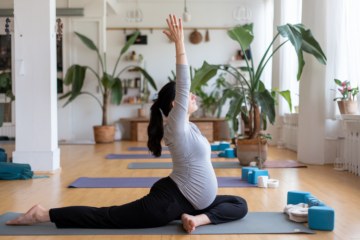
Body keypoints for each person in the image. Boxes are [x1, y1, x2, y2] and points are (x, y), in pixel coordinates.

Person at [6, 14, 247, 234]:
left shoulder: (190, 126)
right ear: (176, 103)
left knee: (239, 204)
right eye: (188, 95)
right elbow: (183, 83)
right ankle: (41, 214)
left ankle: (198, 219)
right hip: (170, 201)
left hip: (192, 203)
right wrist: (179, 44)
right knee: (107, 216)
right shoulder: (176, 127)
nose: (193, 95)